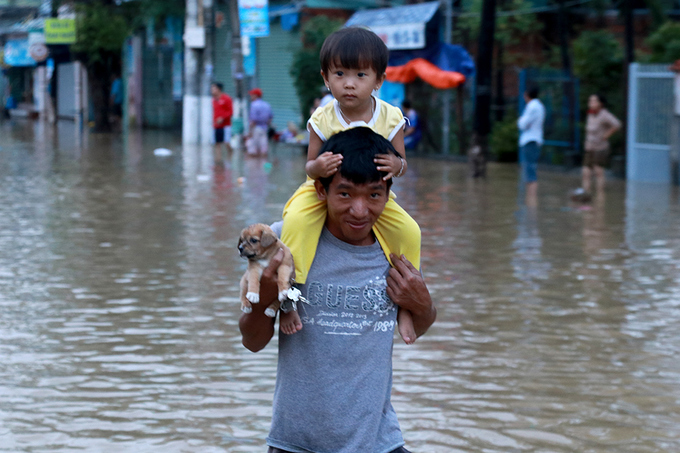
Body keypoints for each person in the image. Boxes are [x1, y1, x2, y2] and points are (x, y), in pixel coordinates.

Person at [239, 127, 437, 453]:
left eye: (374, 195)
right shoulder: (283, 243)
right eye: (345, 194)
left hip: (378, 442)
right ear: (321, 190)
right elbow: (252, 341)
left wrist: (423, 305)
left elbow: (415, 327)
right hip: (295, 443)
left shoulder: (394, 249)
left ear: (388, 195)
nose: (360, 211)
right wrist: (267, 296)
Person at [280, 26, 420, 344]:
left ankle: (407, 305)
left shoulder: (390, 116)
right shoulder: (322, 118)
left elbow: (402, 162)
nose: (349, 84)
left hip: (373, 193)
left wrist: (397, 165)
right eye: (339, 74)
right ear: (326, 78)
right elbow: (309, 165)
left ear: (378, 80)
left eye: (360, 75)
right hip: (321, 192)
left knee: (410, 232)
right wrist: (319, 167)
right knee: (295, 223)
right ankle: (287, 299)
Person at [580, 93, 621, 196]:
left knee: (598, 171)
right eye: (590, 101)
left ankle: (600, 196)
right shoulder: (590, 114)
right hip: (589, 147)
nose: (591, 103)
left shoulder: (604, 114)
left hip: (600, 148)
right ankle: (586, 194)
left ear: (600, 103)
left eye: (594, 101)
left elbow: (617, 124)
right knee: (586, 172)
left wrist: (606, 135)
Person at [517, 85, 546, 206]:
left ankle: (531, 200)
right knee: (530, 168)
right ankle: (530, 199)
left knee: (530, 169)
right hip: (534, 140)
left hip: (530, 140)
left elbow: (523, 124)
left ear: (527, 95)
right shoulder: (539, 106)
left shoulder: (532, 106)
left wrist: (519, 121)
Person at [211, 82, 234, 165]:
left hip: (226, 125)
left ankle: (230, 156)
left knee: (226, 142)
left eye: (214, 88)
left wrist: (223, 118)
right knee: (217, 143)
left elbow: (231, 112)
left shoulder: (227, 98)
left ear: (219, 89)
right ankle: (218, 161)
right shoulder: (213, 100)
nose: (212, 90)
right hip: (216, 125)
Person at [246, 88, 273, 156]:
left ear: (256, 95)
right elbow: (270, 118)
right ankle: (263, 165)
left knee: (253, 150)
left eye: (252, 95)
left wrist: (250, 131)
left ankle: (255, 166)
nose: (251, 97)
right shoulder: (267, 104)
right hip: (265, 128)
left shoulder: (254, 105)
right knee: (263, 149)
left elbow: (253, 120)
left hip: (256, 128)